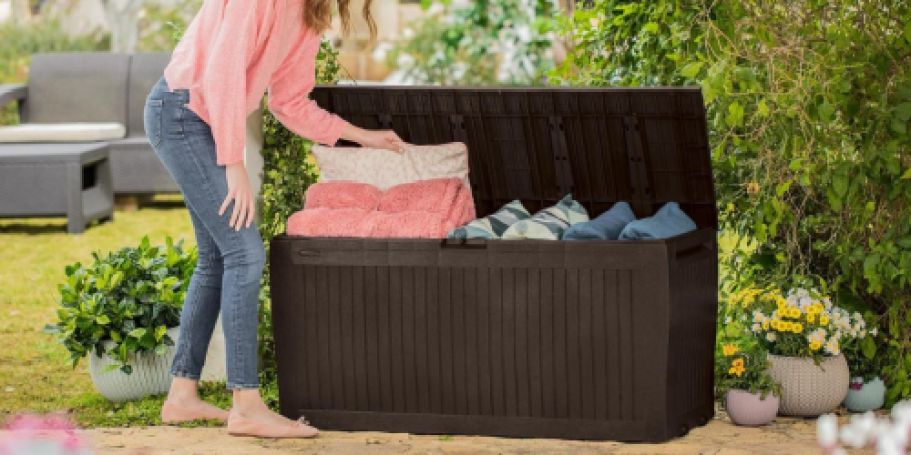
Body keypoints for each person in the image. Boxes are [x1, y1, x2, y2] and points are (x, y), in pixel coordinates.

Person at [143, 0, 404, 439]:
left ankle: (182, 396)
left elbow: (290, 102)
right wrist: (233, 163)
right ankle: (246, 405)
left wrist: (362, 137)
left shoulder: (309, 15)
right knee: (244, 253)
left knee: (217, 258)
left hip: (198, 119)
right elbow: (222, 73)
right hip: (181, 114)